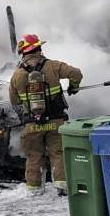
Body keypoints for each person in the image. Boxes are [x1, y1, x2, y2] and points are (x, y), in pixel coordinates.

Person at [9, 34, 83, 194]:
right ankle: (62, 187)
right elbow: (76, 73)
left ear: (23, 53)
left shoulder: (17, 74)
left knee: (34, 156)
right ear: (39, 48)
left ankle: (34, 190)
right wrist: (73, 86)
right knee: (58, 153)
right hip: (56, 122)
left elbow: (14, 101)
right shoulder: (53, 66)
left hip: (32, 124)